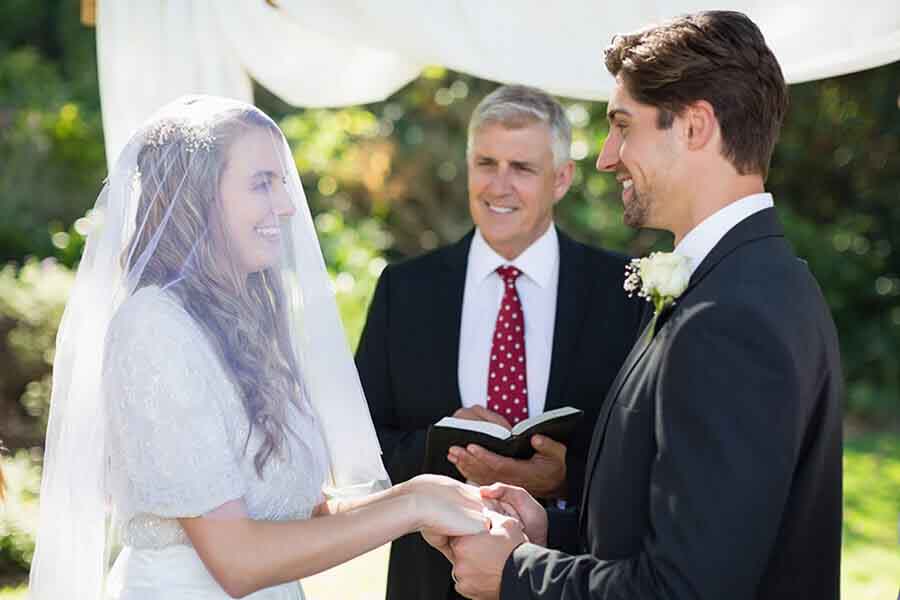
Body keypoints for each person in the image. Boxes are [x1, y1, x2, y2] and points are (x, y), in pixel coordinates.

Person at [433, 11, 844, 600]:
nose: (607, 156)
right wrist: (549, 530)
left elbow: (686, 589)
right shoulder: (743, 281)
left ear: (695, 126)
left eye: (623, 126)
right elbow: (692, 534)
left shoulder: (731, 316)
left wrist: (515, 573)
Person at [28, 96, 496, 600]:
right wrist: (411, 508)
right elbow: (237, 561)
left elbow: (304, 514)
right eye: (261, 183)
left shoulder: (242, 328)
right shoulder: (154, 329)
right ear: (196, 197)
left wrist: (424, 493)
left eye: (281, 182)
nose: (287, 205)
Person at [355, 84, 644, 600]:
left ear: (561, 179)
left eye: (522, 168)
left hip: (568, 576)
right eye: (486, 163)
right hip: (429, 579)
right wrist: (443, 443)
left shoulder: (624, 292)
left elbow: (645, 459)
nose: (499, 185)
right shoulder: (405, 289)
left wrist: (562, 480)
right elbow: (359, 445)